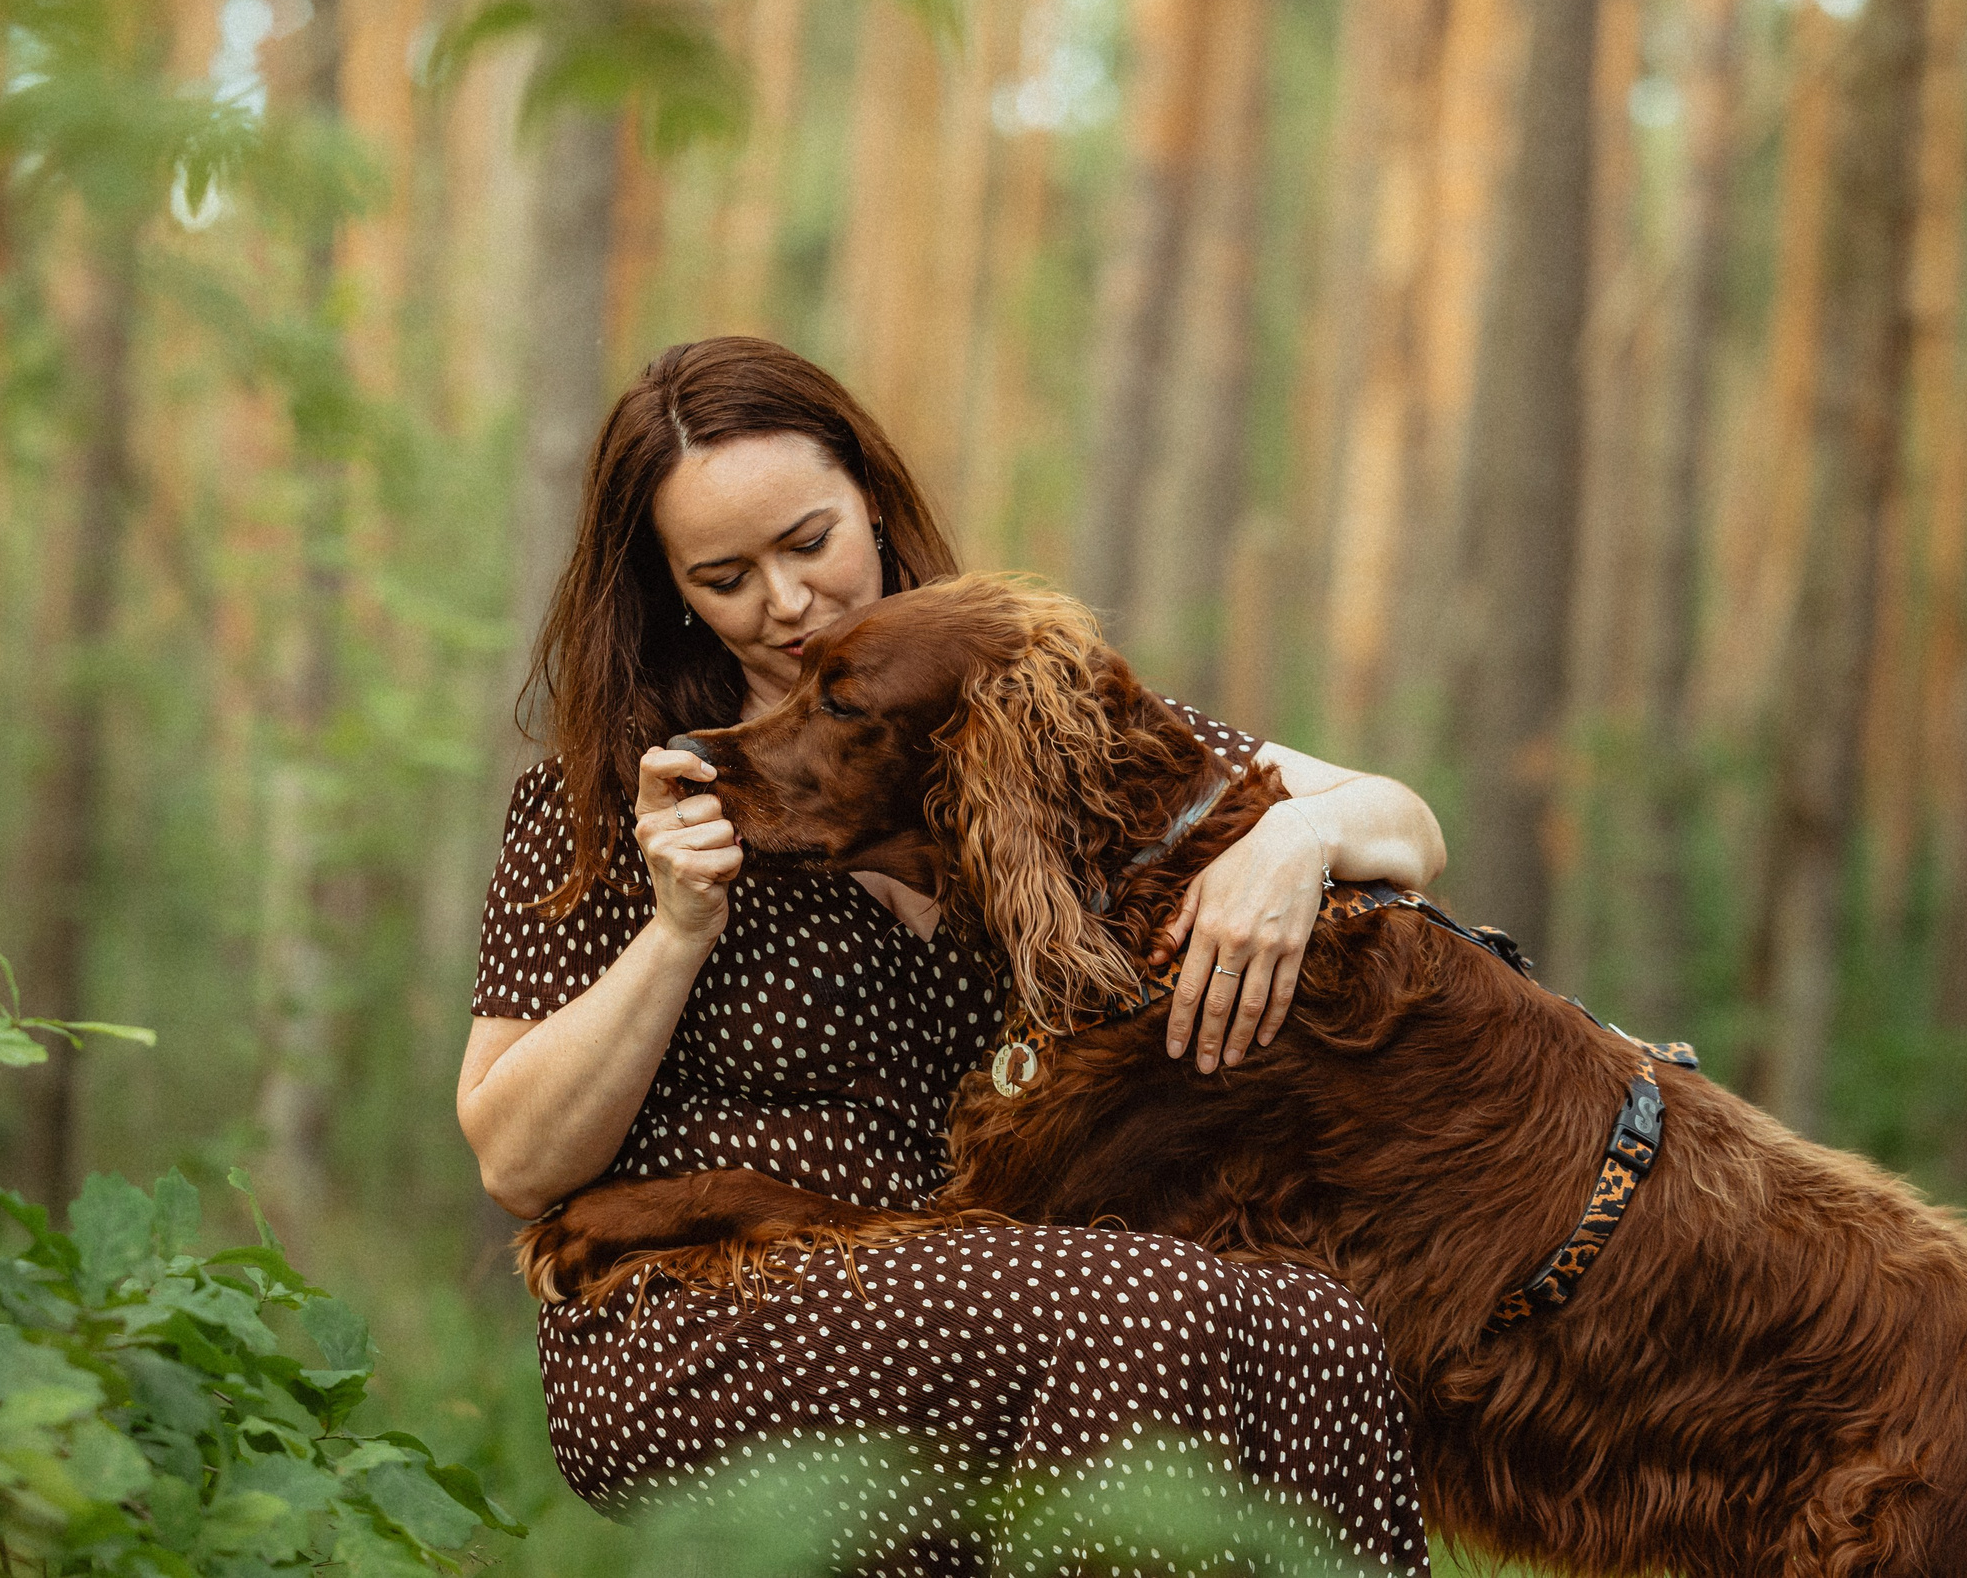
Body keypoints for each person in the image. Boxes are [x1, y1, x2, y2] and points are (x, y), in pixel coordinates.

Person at [456, 337, 1448, 1575]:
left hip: (1013, 1289)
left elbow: (1404, 823)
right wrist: (677, 929)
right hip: (703, 1316)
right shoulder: (615, 796)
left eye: (808, 542)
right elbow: (513, 1156)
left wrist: (1296, 837)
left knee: (1319, 1327)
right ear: (670, 589)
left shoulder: (1012, 712)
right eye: (724, 575)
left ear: (870, 496)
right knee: (1145, 1306)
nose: (785, 602)